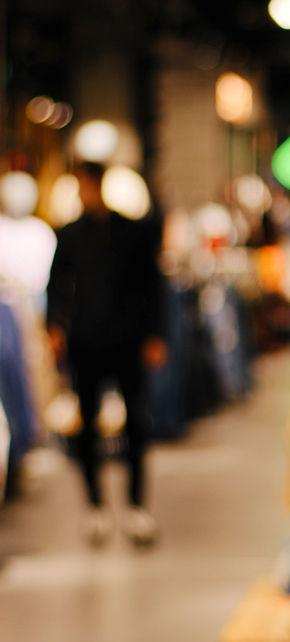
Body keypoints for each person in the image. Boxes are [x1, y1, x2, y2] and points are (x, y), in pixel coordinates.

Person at [47, 162, 168, 547]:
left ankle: (136, 506)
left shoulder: (131, 233)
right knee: (87, 424)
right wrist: (56, 328)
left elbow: (152, 286)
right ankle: (95, 506)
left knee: (136, 422)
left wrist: (154, 334)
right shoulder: (69, 235)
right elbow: (57, 286)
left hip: (126, 340)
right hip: (86, 341)